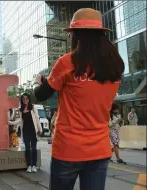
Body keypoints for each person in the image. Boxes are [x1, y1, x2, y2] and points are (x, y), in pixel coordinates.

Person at [33, 8, 125, 190]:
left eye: (71, 33)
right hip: (99, 149)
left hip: (68, 149)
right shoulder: (115, 67)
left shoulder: (68, 62)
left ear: (77, 36)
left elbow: (41, 94)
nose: (69, 38)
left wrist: (38, 82)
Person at [9, 93, 42, 173]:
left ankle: (34, 165)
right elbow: (20, 121)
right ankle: (29, 165)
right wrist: (11, 123)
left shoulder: (33, 108)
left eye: (26, 99)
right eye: (23, 99)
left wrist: (40, 130)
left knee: (34, 149)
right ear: (22, 100)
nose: (25, 100)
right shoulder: (21, 110)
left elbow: (37, 119)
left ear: (29, 99)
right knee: (27, 149)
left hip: (33, 131)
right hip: (26, 131)